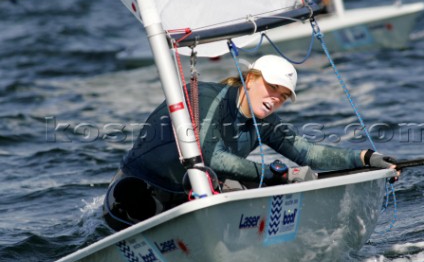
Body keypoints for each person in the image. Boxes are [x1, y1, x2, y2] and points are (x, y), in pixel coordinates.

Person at [103, 55, 398, 230]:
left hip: (192, 198)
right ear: (250, 78)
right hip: (136, 191)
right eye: (272, 88)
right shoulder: (206, 97)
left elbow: (308, 153)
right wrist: (273, 175)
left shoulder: (265, 122)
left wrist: (366, 157)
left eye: (283, 96)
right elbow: (209, 156)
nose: (275, 99)